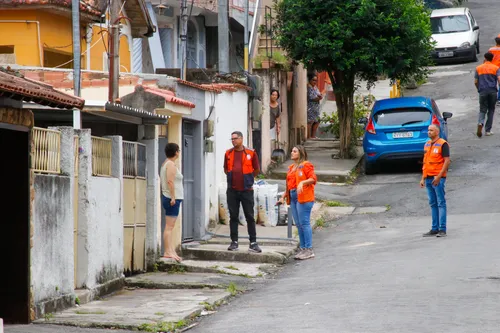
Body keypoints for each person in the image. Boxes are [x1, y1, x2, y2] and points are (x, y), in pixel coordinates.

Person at [224, 131, 262, 253]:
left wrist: (249, 178)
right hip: (232, 190)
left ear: (241, 139)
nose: (233, 140)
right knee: (233, 216)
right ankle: (234, 242)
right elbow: (226, 169)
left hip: (247, 190)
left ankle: (253, 242)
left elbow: (256, 169)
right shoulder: (228, 153)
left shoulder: (251, 153)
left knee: (250, 216)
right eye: (232, 139)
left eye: (235, 138)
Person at [279, 145, 317, 260]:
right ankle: (303, 248)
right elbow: (290, 184)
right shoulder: (291, 167)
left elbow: (313, 179)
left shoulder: (306, 165)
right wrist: (284, 196)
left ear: (300, 153)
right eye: (292, 151)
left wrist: (302, 183)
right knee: (299, 224)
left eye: (294, 151)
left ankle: (309, 249)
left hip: (304, 197)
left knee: (304, 223)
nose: (292, 153)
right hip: (293, 196)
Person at [420, 124, 450, 238]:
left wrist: (439, 176)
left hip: (438, 178)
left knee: (441, 202)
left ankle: (442, 229)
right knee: (433, 203)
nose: (429, 132)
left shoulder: (443, 144)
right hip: (428, 177)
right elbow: (425, 162)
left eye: (431, 130)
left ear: (437, 132)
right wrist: (423, 178)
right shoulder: (427, 144)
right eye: (428, 130)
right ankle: (434, 228)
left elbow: (447, 161)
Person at [160, 143, 184, 262]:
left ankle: (171, 250)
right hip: (171, 198)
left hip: (170, 197)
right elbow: (170, 181)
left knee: (170, 226)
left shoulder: (167, 163)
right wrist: (173, 197)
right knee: (169, 227)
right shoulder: (170, 165)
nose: (179, 152)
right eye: (178, 150)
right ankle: (167, 251)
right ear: (176, 152)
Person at [474, 52, 500, 137]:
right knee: (491, 110)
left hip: (483, 91)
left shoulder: (478, 68)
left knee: (482, 110)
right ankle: (488, 130)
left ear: (484, 58)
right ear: (492, 59)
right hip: (492, 91)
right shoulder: (495, 68)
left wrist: (479, 89)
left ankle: (480, 123)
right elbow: (499, 79)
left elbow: (476, 81)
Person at [307, 73, 323, 139]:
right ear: (310, 80)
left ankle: (313, 136)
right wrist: (319, 98)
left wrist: (319, 97)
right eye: (313, 80)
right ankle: (308, 136)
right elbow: (312, 97)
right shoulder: (309, 87)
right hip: (310, 107)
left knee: (317, 121)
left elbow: (319, 94)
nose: (315, 82)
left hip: (316, 108)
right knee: (310, 122)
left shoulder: (315, 87)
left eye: (316, 80)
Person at [488, 35, 500, 104]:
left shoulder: (491, 49)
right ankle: (499, 98)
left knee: (493, 83)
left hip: (492, 68)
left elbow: (488, 58)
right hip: (499, 68)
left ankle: (493, 98)